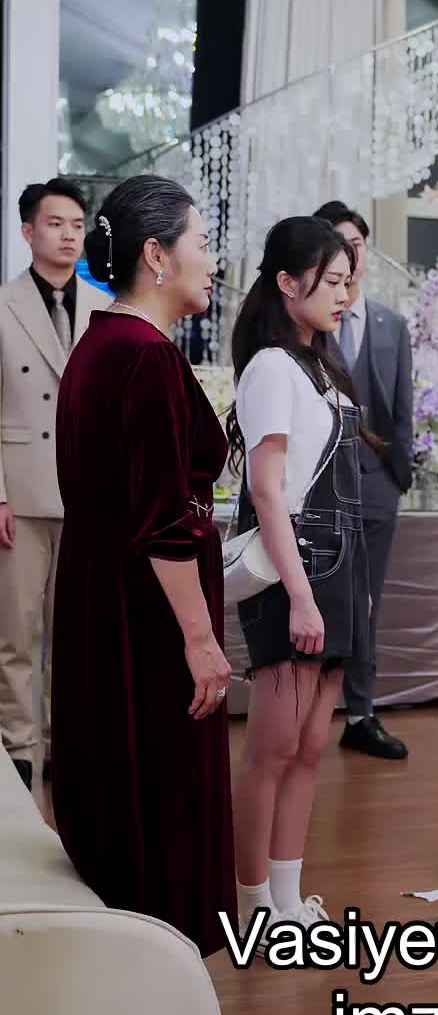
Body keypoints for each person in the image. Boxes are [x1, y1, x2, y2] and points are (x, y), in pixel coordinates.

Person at [50, 177, 235, 955]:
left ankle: (127, 958)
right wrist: (200, 639)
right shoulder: (146, 356)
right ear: (157, 256)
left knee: (117, 782)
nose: (214, 261)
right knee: (162, 790)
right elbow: (163, 522)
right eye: (203, 243)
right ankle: (162, 963)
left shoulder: (99, 344)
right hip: (146, 617)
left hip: (101, 596)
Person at [228, 217, 370, 946]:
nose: (344, 294)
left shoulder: (322, 366)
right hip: (297, 572)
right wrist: (302, 596)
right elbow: (266, 490)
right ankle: (253, 907)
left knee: (312, 747)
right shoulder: (270, 368)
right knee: (273, 750)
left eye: (349, 281)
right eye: (332, 281)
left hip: (341, 569)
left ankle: (288, 901)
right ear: (287, 283)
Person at [0, 177, 94, 792]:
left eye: (77, 226)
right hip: (22, 493)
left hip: (86, 496)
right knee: (16, 637)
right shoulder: (3, 305)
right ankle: (18, 752)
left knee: (75, 638)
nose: (67, 235)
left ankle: (68, 749)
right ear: (28, 231)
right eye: (55, 224)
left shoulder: (104, 307)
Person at [313, 201, 414, 762]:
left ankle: (361, 713)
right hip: (319, 488)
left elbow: (402, 411)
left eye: (356, 244)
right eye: (337, 244)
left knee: (366, 604)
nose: (349, 255)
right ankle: (308, 710)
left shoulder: (390, 325)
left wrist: (398, 477)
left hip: (377, 487)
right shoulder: (305, 323)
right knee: (320, 600)